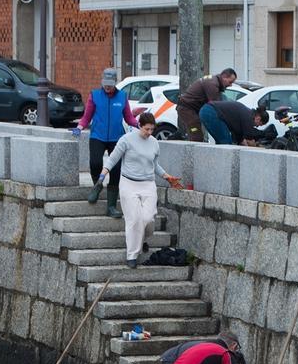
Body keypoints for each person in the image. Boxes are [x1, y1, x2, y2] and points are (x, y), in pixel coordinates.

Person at [99, 112, 182, 269]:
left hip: (148, 184)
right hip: (128, 183)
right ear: (139, 126)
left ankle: (142, 238)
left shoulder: (154, 143)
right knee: (134, 220)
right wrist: (102, 176)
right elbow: (112, 159)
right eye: (147, 129)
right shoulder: (127, 140)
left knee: (148, 219)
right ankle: (132, 255)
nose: (149, 133)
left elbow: (154, 165)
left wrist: (167, 176)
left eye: (152, 129)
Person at [74, 68, 138, 218]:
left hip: (117, 138)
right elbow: (86, 117)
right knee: (95, 163)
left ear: (115, 82)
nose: (107, 87)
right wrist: (79, 127)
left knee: (115, 171)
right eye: (105, 84)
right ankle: (97, 185)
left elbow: (128, 118)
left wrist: (138, 124)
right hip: (98, 135)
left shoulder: (122, 96)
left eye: (110, 84)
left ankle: (111, 207)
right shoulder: (94, 95)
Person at [175, 68, 237, 141]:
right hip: (187, 109)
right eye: (230, 82)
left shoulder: (214, 81)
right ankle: (196, 150)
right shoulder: (212, 84)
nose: (230, 85)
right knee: (196, 132)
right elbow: (216, 106)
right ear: (224, 77)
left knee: (195, 131)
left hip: (190, 108)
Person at [199, 100, 276, 146]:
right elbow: (249, 136)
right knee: (226, 143)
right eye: (259, 124)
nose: (257, 126)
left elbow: (240, 137)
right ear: (258, 118)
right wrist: (257, 145)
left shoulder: (247, 114)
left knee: (222, 143)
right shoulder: (248, 116)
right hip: (211, 112)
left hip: (208, 110)